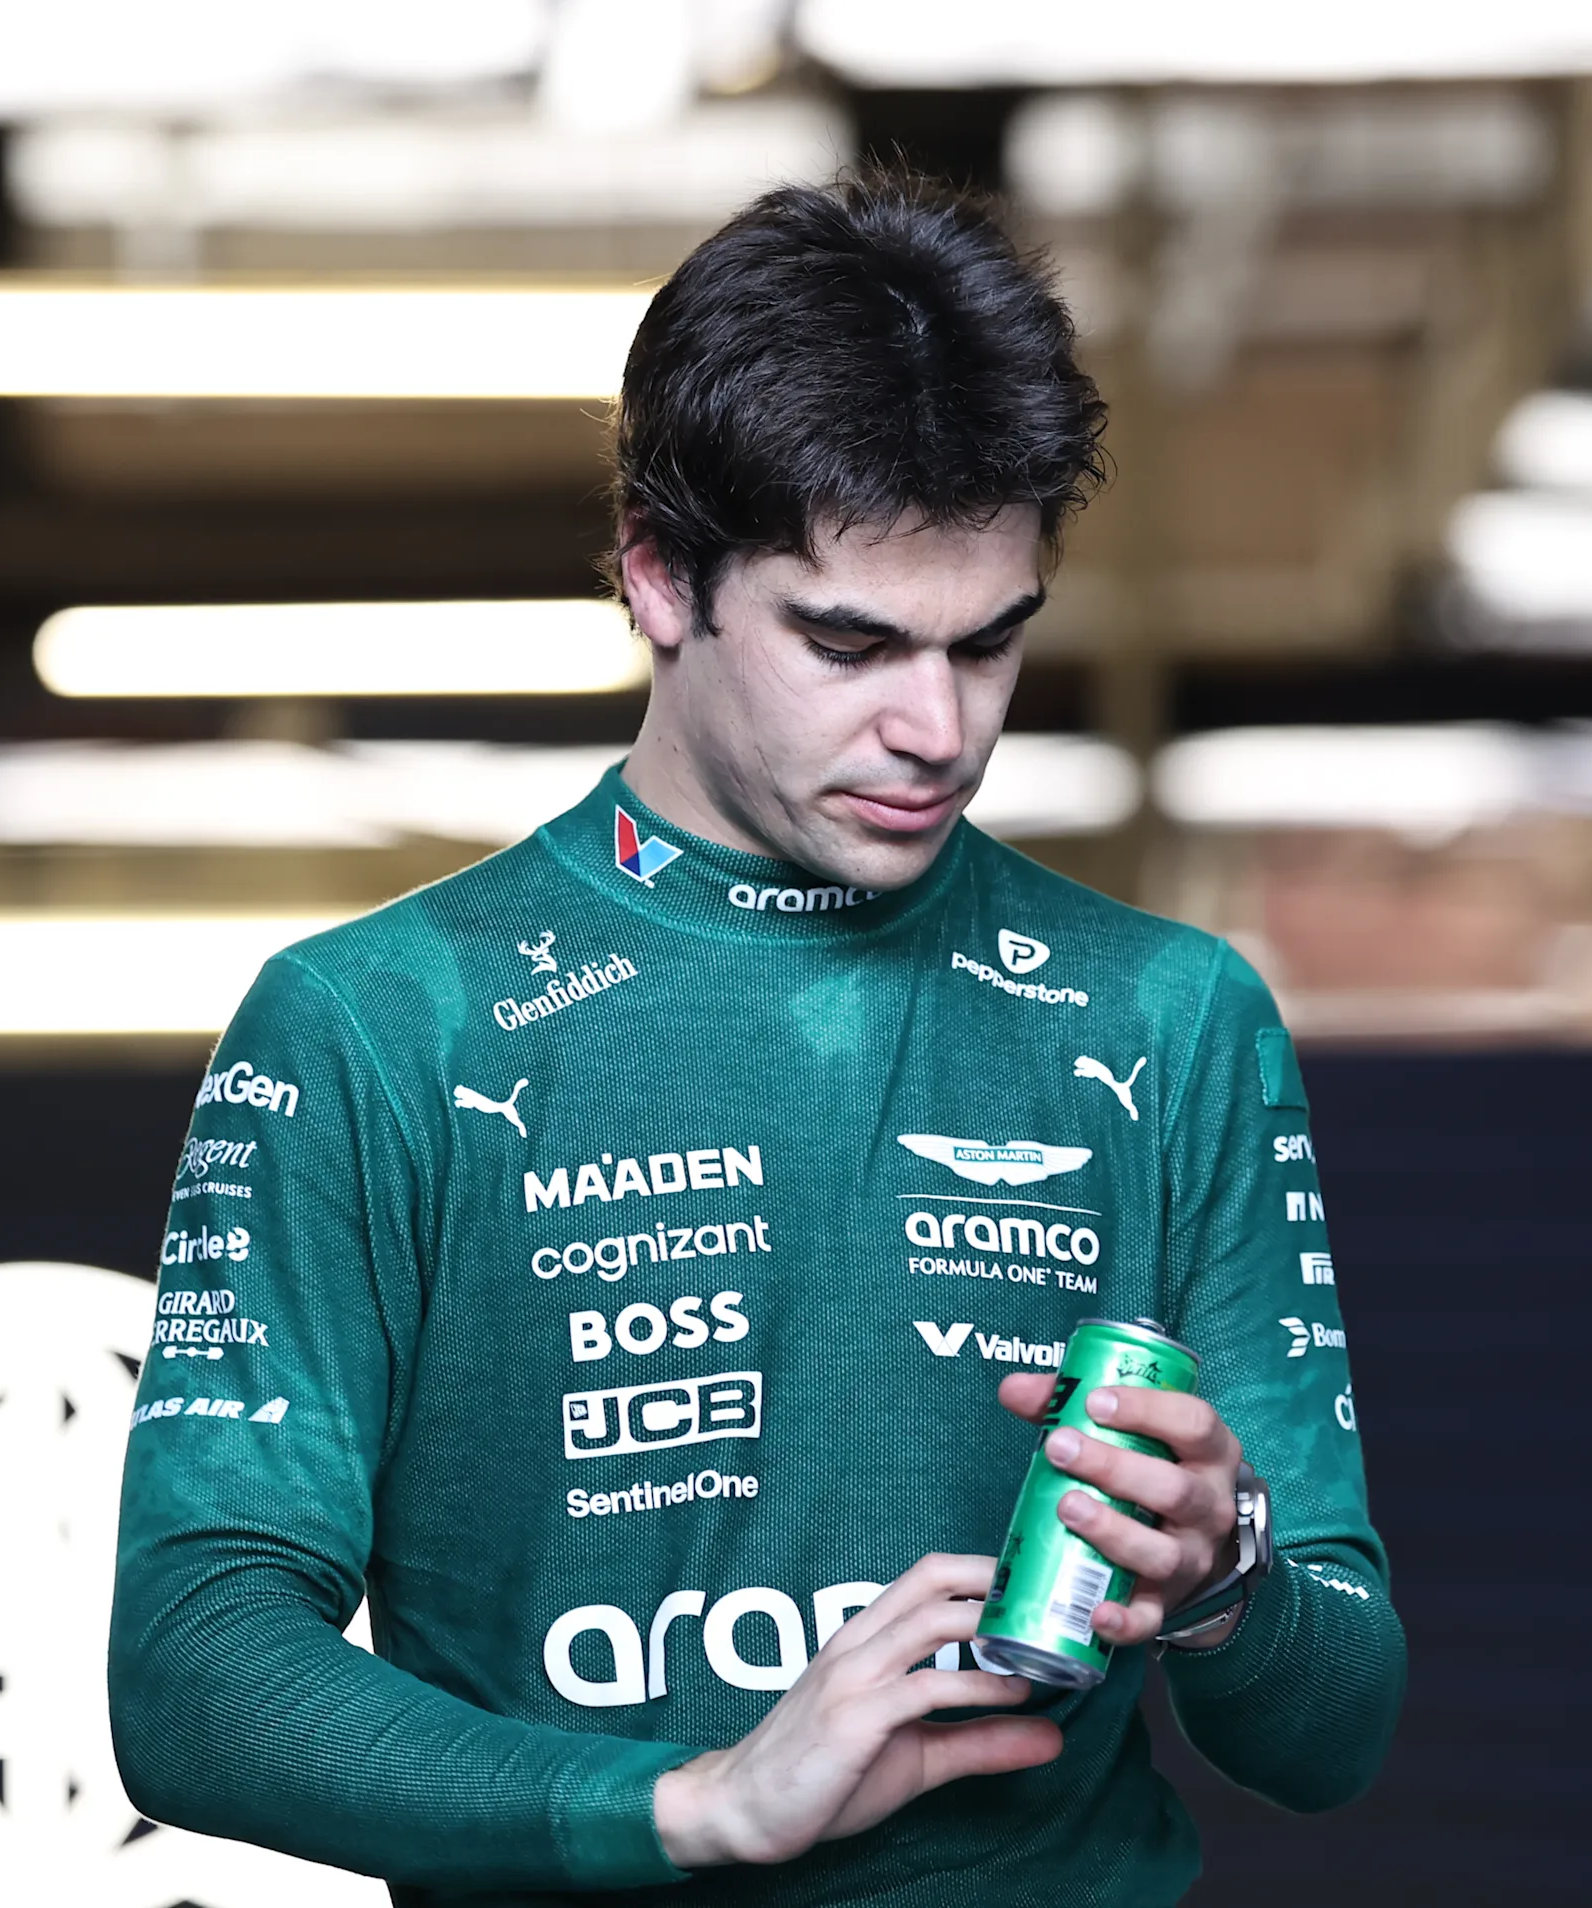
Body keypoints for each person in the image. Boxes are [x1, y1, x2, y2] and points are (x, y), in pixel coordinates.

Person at [109, 173, 1402, 1906]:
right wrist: (696, 1803)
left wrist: (1231, 1579)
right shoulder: (379, 1027)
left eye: (991, 644)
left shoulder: (1162, 1018)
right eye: (848, 641)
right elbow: (193, 1681)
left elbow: (1332, 1736)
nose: (936, 728)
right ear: (659, 575)